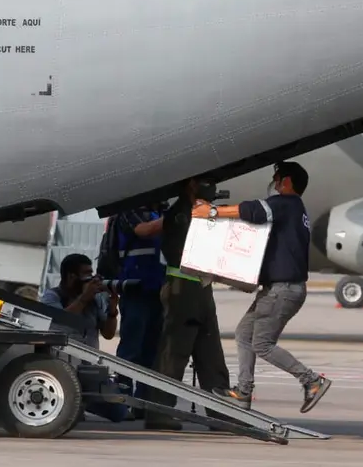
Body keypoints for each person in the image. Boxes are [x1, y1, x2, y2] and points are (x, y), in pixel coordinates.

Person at [200, 162, 331, 413]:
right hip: (278, 289)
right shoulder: (295, 210)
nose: (273, 183)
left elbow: (253, 211)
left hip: (283, 290)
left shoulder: (286, 204)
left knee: (262, 344)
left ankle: (312, 380)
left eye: (276, 178)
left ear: (288, 182)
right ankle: (243, 392)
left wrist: (212, 212)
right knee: (244, 334)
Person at [143, 177, 231, 431]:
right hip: (183, 288)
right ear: (191, 185)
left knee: (210, 352)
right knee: (174, 353)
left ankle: (220, 412)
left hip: (201, 288)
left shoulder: (200, 213)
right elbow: (181, 252)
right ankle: (158, 412)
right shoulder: (180, 214)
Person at [40, 253, 128, 423]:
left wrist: (112, 308)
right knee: (72, 417)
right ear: (71, 276)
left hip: (89, 370)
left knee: (120, 413)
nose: (91, 278)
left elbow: (108, 334)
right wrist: (84, 298)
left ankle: (80, 401)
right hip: (62, 370)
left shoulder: (95, 300)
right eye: (86, 273)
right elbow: (61, 319)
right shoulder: (52, 296)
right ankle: (73, 402)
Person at [112, 204, 166, 417]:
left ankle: (142, 402)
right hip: (136, 288)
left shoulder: (159, 212)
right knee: (131, 349)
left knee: (151, 351)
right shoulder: (129, 211)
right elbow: (143, 230)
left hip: (157, 289)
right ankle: (123, 400)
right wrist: (178, 216)